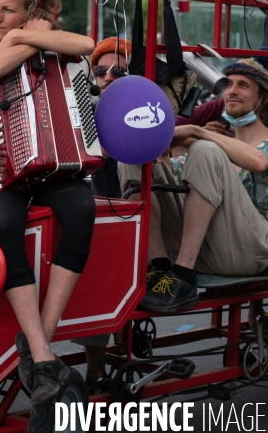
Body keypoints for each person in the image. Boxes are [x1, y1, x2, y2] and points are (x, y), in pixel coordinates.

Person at [0, 0, 96, 409]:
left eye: (8, 9)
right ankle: (42, 355)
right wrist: (25, 35)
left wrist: (42, 36)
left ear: (32, 11)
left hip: (44, 166)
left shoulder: (49, 39)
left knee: (82, 208)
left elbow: (90, 45)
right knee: (6, 223)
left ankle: (40, 348)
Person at [140, 53, 268, 325]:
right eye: (228, 84)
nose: (231, 91)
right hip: (210, 248)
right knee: (138, 152)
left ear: (263, 97)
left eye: (243, 85)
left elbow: (261, 163)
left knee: (206, 148)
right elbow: (171, 176)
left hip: (251, 252)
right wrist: (158, 150)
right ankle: (160, 268)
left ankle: (183, 273)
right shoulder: (214, 151)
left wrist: (199, 132)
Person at [73, 36, 185, 370]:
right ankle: (94, 369)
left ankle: (159, 266)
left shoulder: (149, 114)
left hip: (142, 220)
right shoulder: (83, 114)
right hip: (101, 219)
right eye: (101, 70)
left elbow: (173, 135)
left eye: (118, 71)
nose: (107, 77)